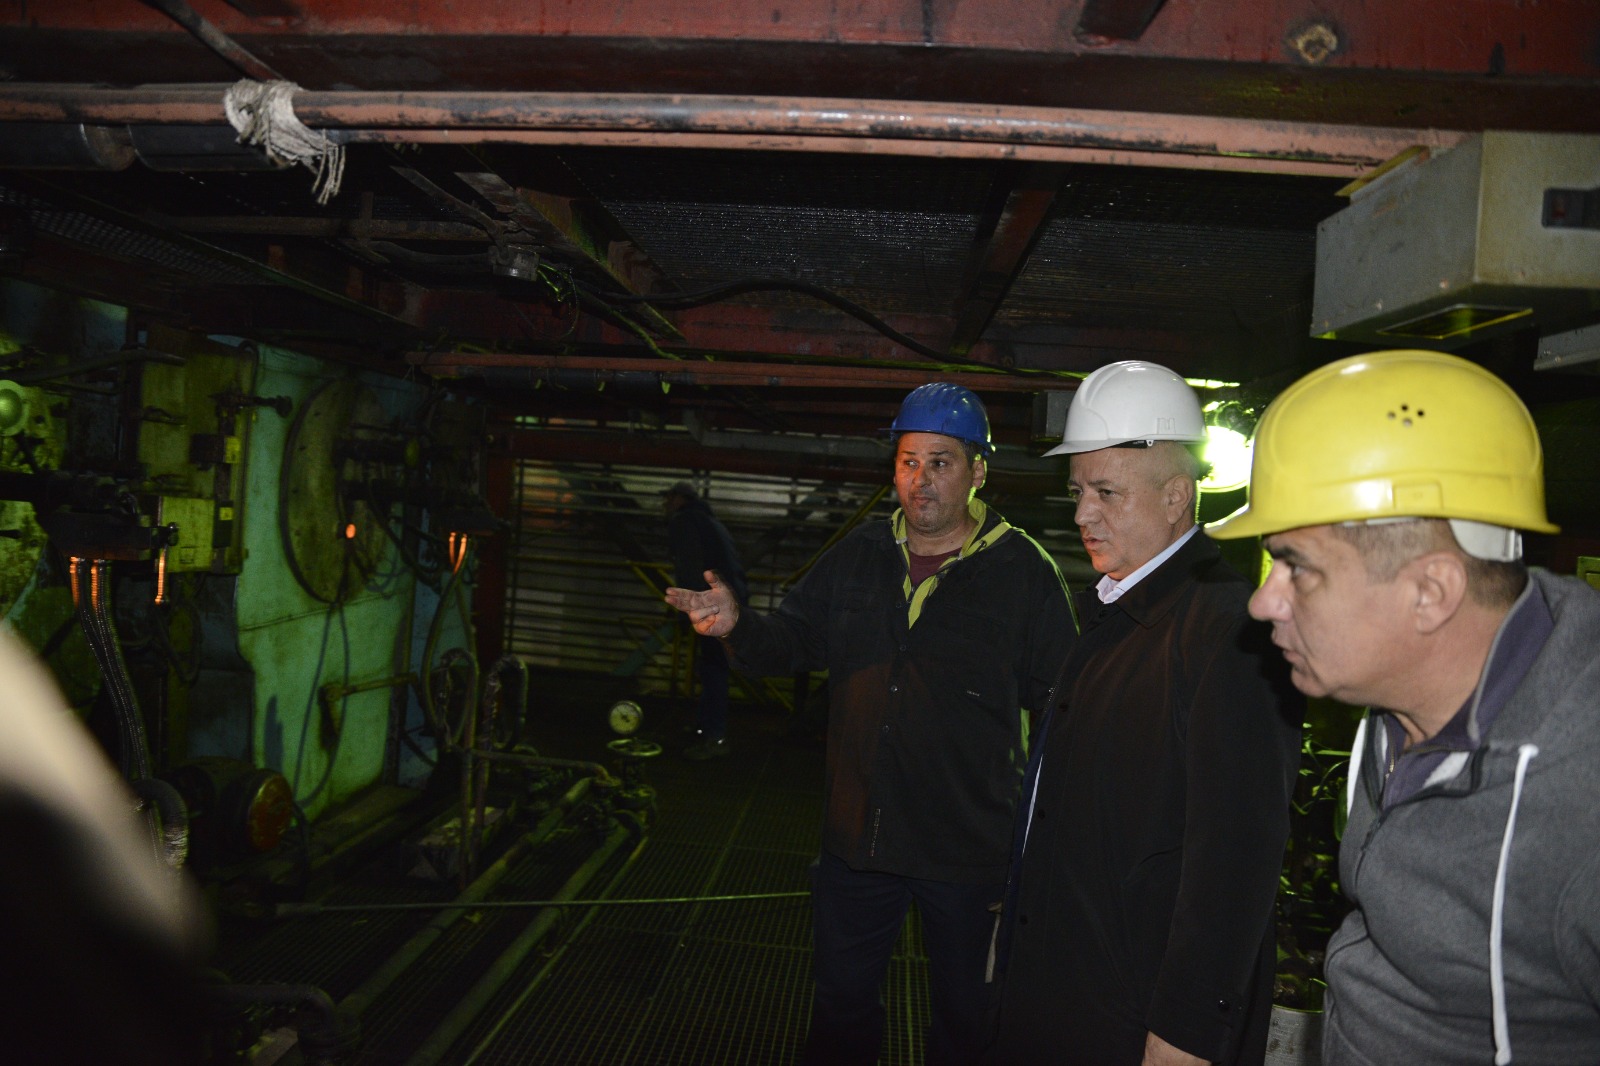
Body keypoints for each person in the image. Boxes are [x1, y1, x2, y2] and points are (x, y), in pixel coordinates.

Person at [1207, 348, 1600, 1065]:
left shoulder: (1582, 795)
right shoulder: (1395, 709)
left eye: (1297, 567)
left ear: (1430, 593)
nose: (1263, 602)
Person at [665, 382, 1075, 1066]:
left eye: (941, 462)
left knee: (969, 1021)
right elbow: (792, 640)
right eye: (909, 461)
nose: (922, 479)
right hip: (859, 842)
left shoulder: (1023, 572)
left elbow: (1064, 709)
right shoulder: (860, 554)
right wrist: (737, 626)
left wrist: (1043, 851)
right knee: (841, 1012)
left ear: (978, 471)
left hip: (968, 852)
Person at [989, 360, 1303, 1066]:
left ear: (1176, 497)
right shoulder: (1115, 613)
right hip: (1064, 996)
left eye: (1106, 492)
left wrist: (1187, 1032)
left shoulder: (1230, 632)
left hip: (1133, 1023)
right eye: (1078, 491)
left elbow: (1237, 856)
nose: (1081, 514)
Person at [661, 480, 749, 760]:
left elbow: (689, 566)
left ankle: (715, 737)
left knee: (713, 668)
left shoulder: (685, 522)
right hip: (728, 603)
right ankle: (705, 727)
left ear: (680, 499)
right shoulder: (710, 522)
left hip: (715, 607)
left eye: (669, 498)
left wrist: (684, 609)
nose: (665, 504)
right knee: (711, 666)